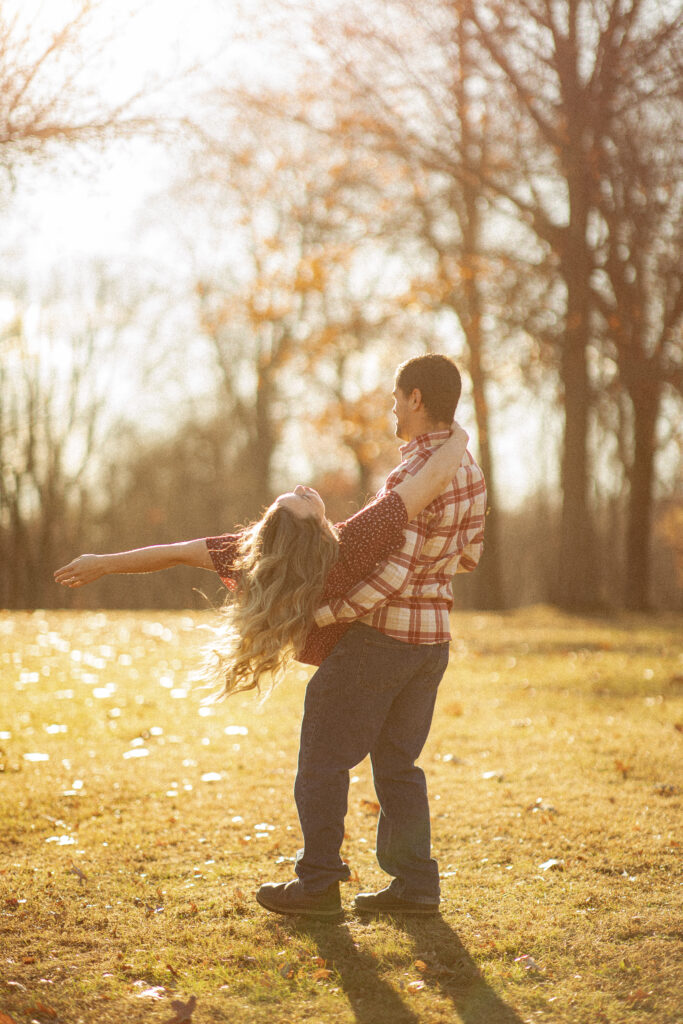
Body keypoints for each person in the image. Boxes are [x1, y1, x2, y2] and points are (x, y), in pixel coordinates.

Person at [254, 354, 486, 921]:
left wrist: (327, 613)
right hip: (433, 642)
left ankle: (317, 885)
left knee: (323, 757)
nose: (390, 406)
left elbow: (392, 573)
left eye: (394, 396)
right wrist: (432, 570)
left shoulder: (414, 477)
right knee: (398, 764)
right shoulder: (470, 470)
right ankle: (414, 887)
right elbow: (470, 557)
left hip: (383, 637)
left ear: (415, 399)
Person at [54, 422, 470, 698]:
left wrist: (105, 561)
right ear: (307, 534)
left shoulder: (259, 558)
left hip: (359, 661)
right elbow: (430, 481)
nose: (304, 487)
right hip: (370, 656)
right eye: (302, 498)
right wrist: (460, 438)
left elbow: (176, 554)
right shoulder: (353, 542)